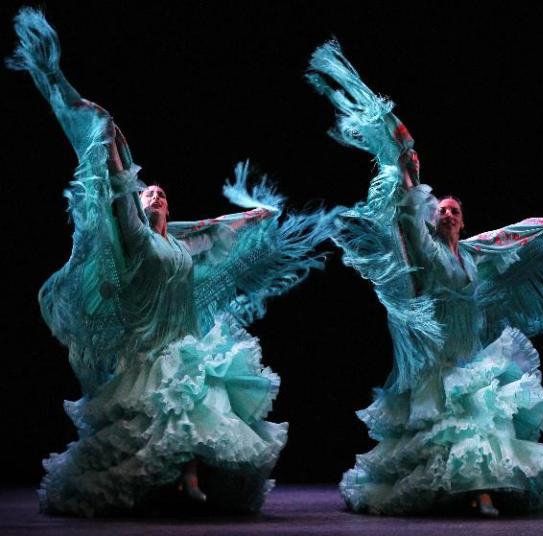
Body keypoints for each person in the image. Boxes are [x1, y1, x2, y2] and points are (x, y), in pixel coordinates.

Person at [9, 8, 339, 516]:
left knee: (197, 409)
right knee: (160, 422)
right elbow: (121, 191)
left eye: (162, 194)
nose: (156, 196)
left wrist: (252, 218)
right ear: (140, 208)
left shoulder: (181, 244)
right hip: (147, 351)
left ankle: (187, 481)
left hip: (184, 344)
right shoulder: (135, 241)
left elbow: (214, 230)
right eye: (150, 194)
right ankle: (171, 485)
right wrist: (108, 141)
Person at [307, 40, 543, 516]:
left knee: (480, 419)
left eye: (454, 210)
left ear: (462, 219)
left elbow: (521, 234)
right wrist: (403, 160)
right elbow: (406, 205)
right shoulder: (425, 247)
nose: (447, 213)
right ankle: (476, 494)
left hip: (468, 350)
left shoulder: (476, 256)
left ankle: (483, 489)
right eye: (442, 209)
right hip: (436, 353)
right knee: (452, 422)